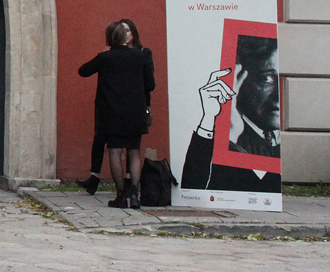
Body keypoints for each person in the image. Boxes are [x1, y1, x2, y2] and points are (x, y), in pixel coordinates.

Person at [180, 35, 281, 194]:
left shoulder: (281, 138)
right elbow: (194, 188)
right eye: (266, 79)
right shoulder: (233, 135)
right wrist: (228, 133)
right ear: (237, 78)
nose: (279, 95)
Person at [77, 21, 156, 208]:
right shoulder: (140, 56)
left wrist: (103, 55)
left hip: (112, 112)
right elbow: (150, 85)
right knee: (134, 152)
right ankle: (134, 194)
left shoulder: (105, 57)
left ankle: (120, 195)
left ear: (111, 38)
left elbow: (83, 71)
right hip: (135, 111)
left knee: (115, 151)